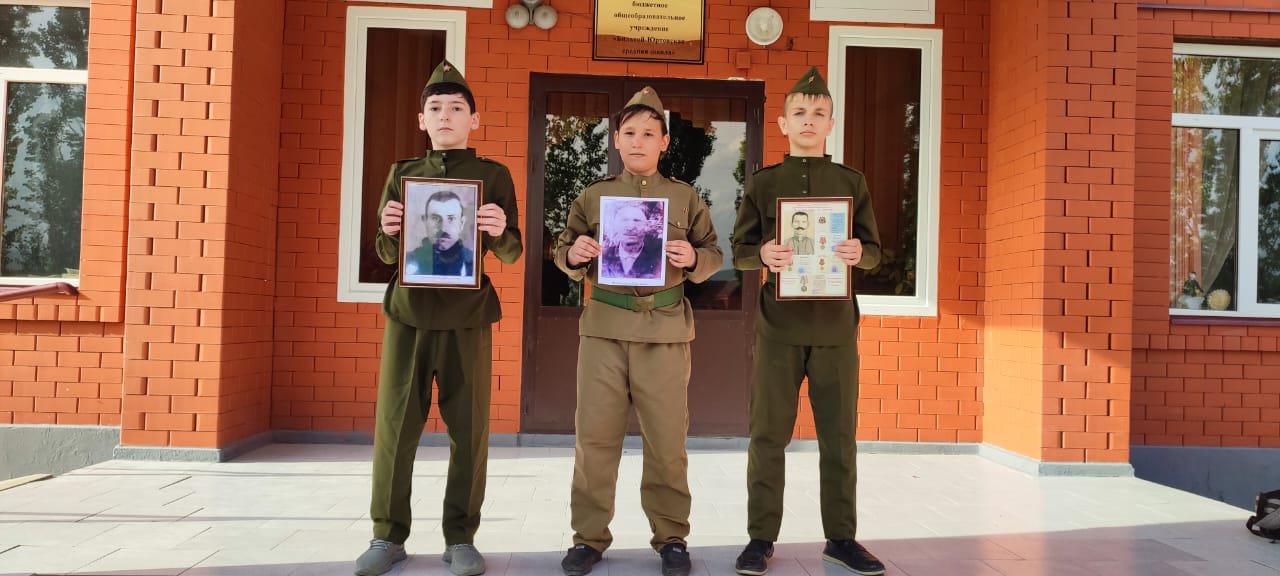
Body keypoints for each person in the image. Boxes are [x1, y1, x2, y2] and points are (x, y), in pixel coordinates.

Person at [355, 59, 523, 576]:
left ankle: (461, 537)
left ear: (474, 119)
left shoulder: (493, 177)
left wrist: (497, 229)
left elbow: (512, 252)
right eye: (435, 108)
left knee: (469, 431)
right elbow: (386, 252)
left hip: (467, 318)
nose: (445, 116)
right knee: (395, 427)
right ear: (421, 120)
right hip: (409, 316)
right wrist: (388, 228)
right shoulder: (401, 175)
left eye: (456, 108)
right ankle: (387, 536)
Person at [553, 86, 723, 576]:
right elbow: (563, 249)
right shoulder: (594, 196)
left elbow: (713, 254)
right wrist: (574, 255)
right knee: (595, 440)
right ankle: (588, 538)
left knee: (667, 442)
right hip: (604, 330)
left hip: (664, 332)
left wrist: (694, 257)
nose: (638, 141)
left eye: (649, 133)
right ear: (616, 139)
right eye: (629, 132)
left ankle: (671, 538)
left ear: (664, 142)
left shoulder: (684, 197)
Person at [730, 66, 885, 576]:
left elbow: (874, 251)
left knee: (838, 438)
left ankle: (841, 538)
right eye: (799, 112)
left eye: (819, 113)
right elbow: (741, 248)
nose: (809, 120)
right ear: (783, 123)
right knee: (767, 435)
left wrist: (859, 252)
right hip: (779, 327)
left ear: (831, 124)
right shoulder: (764, 183)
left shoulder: (851, 183)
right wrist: (763, 254)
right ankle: (759, 539)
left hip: (835, 328)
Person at [405, 189, 474, 277]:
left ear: (462, 223)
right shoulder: (409, 260)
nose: (443, 228)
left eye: (451, 218)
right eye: (435, 218)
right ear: (425, 221)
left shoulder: (473, 262)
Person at [599, 202, 664, 280]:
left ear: (647, 226)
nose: (630, 227)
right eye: (624, 220)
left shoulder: (659, 256)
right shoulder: (604, 255)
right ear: (615, 225)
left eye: (637, 220)